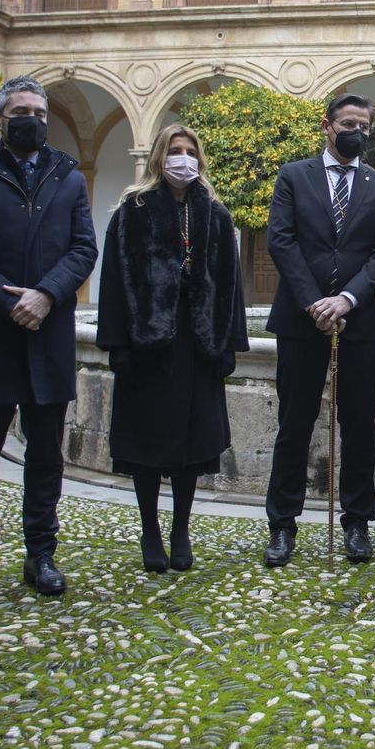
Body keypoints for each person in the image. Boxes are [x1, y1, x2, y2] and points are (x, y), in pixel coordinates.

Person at [0, 76, 98, 606]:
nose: (30, 119)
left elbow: (82, 248)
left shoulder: (68, 178)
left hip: (48, 332)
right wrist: (9, 301)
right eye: (19, 111)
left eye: (37, 111)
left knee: (46, 453)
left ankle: (41, 552)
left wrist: (47, 295)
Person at [95, 125, 247, 572]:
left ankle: (181, 529)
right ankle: (150, 531)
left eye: (191, 152)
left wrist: (229, 345)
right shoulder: (133, 211)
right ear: (160, 158)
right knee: (147, 443)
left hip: (198, 346)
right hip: (149, 346)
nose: (184, 159)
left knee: (190, 445)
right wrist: (117, 344)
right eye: (175, 151)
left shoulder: (215, 214)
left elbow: (230, 286)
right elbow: (113, 283)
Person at [261, 94, 375, 567]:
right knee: (293, 425)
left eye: (364, 125)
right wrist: (314, 300)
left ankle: (357, 523)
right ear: (327, 126)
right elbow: (281, 239)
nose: (356, 132)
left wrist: (348, 298)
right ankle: (282, 525)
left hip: (356, 320)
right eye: (348, 123)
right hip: (301, 319)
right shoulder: (293, 176)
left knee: (358, 426)